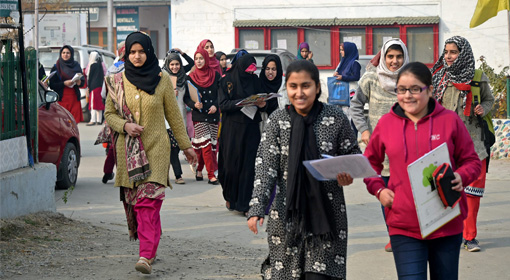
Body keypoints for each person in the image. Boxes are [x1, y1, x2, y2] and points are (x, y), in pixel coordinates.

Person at [363, 62, 482, 279]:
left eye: (415, 89)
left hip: (446, 223)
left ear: (430, 90)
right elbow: (370, 164)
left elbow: (472, 161)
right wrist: (379, 190)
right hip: (404, 226)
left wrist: (461, 176)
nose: (407, 95)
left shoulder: (450, 121)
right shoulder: (386, 124)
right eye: (402, 89)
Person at [247, 59, 360, 280]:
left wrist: (347, 175)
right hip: (286, 215)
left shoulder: (335, 118)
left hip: (327, 215)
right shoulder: (277, 121)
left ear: (317, 87)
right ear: (286, 88)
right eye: (293, 86)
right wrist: (256, 207)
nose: (299, 93)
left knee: (320, 276)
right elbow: (265, 167)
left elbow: (352, 155)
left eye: (306, 86)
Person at [103, 31, 197, 275]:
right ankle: (152, 244)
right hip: (129, 153)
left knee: (147, 202)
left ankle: (145, 255)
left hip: (156, 148)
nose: (136, 56)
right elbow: (109, 115)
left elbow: (174, 116)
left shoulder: (162, 79)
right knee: (141, 206)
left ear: (149, 52)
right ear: (126, 54)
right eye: (132, 52)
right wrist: (125, 126)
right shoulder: (116, 81)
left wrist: (186, 146)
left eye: (141, 51)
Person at [431, 36, 494, 252]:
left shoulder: (478, 77)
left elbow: (489, 100)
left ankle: (469, 237)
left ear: (463, 53)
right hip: (446, 144)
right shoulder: (439, 76)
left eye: (453, 52)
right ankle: (448, 234)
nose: (448, 56)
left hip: (475, 144)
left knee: (472, 192)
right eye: (446, 52)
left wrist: (483, 109)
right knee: (445, 190)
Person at [350, 38, 409, 252]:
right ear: (383, 57)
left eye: (399, 56)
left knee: (406, 193)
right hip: (380, 149)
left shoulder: (410, 78)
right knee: (385, 193)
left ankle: (407, 234)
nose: (394, 61)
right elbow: (355, 104)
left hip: (407, 147)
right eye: (390, 56)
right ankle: (394, 235)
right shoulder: (371, 78)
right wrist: (364, 130)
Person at [218, 54, 265, 213]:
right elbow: (223, 104)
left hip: (251, 127)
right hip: (232, 129)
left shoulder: (255, 80)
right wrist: (241, 103)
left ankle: (245, 204)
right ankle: (231, 197)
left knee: (249, 166)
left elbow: (262, 102)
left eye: (252, 71)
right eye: (248, 71)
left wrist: (261, 103)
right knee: (231, 166)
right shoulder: (227, 80)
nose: (250, 75)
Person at [184, 48, 221, 184]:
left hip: (213, 114)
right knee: (205, 145)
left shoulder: (215, 75)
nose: (199, 61)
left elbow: (220, 94)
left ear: (206, 59)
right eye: (196, 59)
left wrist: (216, 106)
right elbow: (186, 98)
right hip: (199, 116)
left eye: (201, 58)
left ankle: (199, 169)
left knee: (209, 146)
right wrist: (194, 105)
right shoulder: (190, 77)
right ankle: (211, 175)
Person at [49, 45, 85, 123]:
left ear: (71, 54)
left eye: (68, 53)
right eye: (63, 53)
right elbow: (52, 85)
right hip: (62, 100)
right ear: (60, 54)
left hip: (74, 98)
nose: (65, 55)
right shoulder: (56, 67)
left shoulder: (76, 66)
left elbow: (83, 82)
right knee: (62, 123)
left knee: (74, 123)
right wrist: (64, 83)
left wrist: (79, 82)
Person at [332, 42, 361, 135]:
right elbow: (339, 74)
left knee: (351, 119)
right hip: (341, 93)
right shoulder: (343, 62)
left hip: (350, 95)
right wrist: (336, 74)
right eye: (340, 50)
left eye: (342, 50)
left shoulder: (354, 63)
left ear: (348, 50)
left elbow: (356, 77)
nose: (341, 52)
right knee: (341, 118)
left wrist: (343, 77)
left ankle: (352, 141)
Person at [85, 52, 105, 126]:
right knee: (99, 104)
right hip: (100, 86)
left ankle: (92, 120)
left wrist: (89, 87)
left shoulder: (92, 65)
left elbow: (89, 77)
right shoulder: (101, 65)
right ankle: (99, 120)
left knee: (93, 104)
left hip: (93, 87)